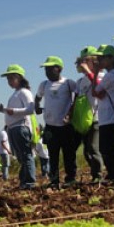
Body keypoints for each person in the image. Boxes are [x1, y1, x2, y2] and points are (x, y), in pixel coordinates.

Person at [82, 44, 114, 184]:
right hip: (106, 116)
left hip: (109, 116)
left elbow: (95, 92)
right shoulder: (112, 75)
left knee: (110, 148)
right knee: (107, 148)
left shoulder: (110, 76)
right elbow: (98, 93)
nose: (99, 61)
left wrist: (95, 72)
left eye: (102, 58)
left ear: (111, 58)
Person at [35, 56, 78, 188]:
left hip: (66, 126)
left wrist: (70, 113)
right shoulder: (44, 84)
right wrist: (37, 107)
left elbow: (77, 97)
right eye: (45, 69)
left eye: (50, 68)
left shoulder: (69, 83)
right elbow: (37, 98)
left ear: (58, 68)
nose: (47, 71)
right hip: (50, 127)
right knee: (53, 155)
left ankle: (70, 178)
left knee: (69, 154)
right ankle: (54, 180)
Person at [0, 64, 36, 189]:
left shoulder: (24, 92)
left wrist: (12, 111)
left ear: (19, 78)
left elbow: (30, 109)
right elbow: (12, 112)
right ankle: (24, 181)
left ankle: (29, 182)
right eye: (8, 79)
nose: (9, 82)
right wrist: (3, 110)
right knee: (21, 157)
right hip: (13, 127)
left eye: (11, 78)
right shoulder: (16, 93)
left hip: (21, 126)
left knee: (26, 155)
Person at [74, 46, 104, 183]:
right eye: (82, 61)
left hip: (97, 117)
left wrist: (89, 72)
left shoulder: (101, 76)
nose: (83, 64)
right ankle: (95, 173)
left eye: (86, 60)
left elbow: (99, 87)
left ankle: (98, 175)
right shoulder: (80, 82)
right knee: (87, 151)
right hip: (85, 120)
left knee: (93, 148)